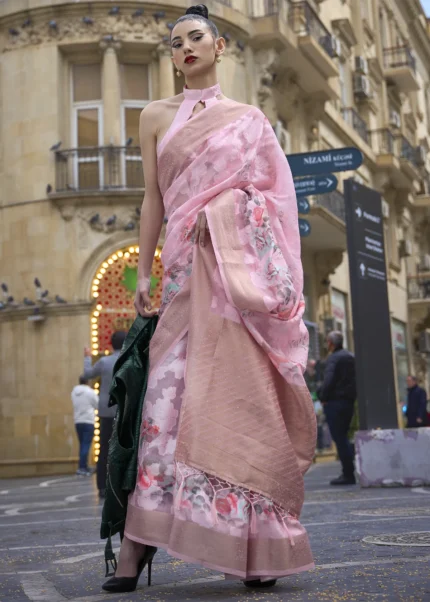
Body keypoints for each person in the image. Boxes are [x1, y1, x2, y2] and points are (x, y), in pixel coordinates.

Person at [102, 4, 316, 593]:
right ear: (172, 58)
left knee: (238, 403)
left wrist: (225, 214)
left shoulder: (248, 120)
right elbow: (153, 200)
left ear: (220, 47)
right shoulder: (154, 116)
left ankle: (257, 548)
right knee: (162, 408)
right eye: (175, 42)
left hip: (232, 284)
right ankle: (136, 547)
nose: (185, 47)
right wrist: (142, 272)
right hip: (179, 281)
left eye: (196, 37)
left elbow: (272, 200)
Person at [82, 330, 127, 498]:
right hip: (124, 409)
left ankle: (101, 487)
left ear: (111, 344)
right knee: (125, 448)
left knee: (104, 449)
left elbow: (87, 375)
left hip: (106, 410)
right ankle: (123, 485)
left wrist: (87, 357)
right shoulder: (130, 360)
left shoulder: (104, 361)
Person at [318, 331, 356, 486]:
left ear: (331, 343)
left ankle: (348, 473)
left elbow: (329, 380)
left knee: (339, 438)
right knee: (344, 436)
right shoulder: (351, 357)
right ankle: (349, 471)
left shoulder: (333, 359)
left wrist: (323, 397)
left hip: (335, 402)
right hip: (348, 401)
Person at [71, 376, 99, 476]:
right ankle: (82, 468)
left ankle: (83, 465)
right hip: (88, 421)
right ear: (87, 381)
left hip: (78, 421)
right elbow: (97, 404)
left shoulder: (74, 393)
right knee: (86, 445)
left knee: (82, 444)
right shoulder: (90, 392)